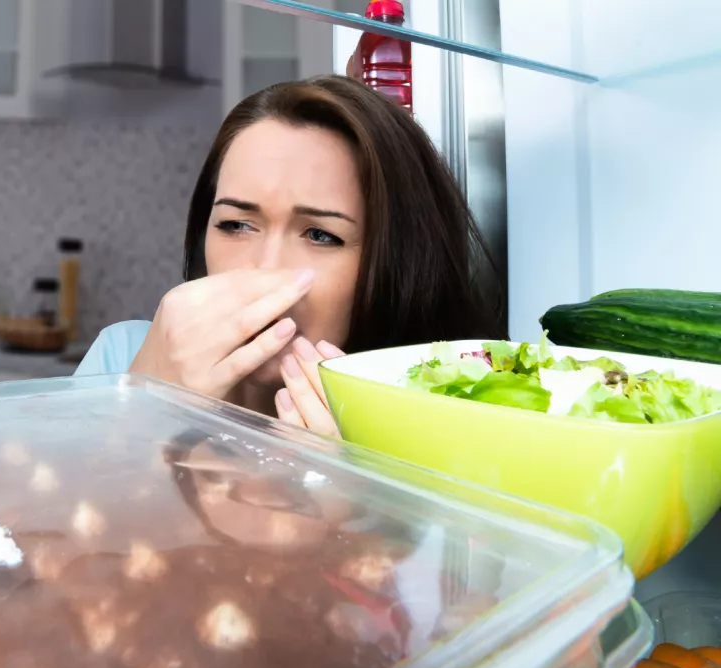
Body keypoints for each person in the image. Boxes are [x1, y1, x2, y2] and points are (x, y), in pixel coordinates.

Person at [74, 75, 505, 436]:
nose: (266, 269)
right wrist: (141, 408)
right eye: (236, 225)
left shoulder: (441, 425)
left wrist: (363, 508)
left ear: (400, 262)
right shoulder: (122, 355)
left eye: (320, 234)